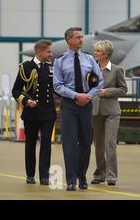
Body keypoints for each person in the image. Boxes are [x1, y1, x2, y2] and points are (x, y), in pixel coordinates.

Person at [53, 27, 103, 191]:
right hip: (69, 105)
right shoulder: (60, 61)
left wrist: (87, 96)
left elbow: (99, 82)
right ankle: (71, 179)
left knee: (86, 142)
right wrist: (75, 96)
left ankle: (82, 176)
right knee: (69, 143)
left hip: (86, 104)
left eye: (82, 37)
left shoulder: (89, 59)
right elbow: (57, 86)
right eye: (77, 37)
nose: (81, 39)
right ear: (69, 39)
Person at [11, 40, 56, 185]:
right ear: (39, 52)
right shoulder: (26, 67)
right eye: (48, 51)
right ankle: (30, 174)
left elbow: (56, 88)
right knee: (30, 144)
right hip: (32, 112)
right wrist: (25, 101)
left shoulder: (51, 68)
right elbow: (16, 90)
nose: (51, 54)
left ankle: (44, 176)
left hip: (48, 112)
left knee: (46, 144)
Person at [91, 40, 127, 186]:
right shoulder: (91, 69)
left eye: (98, 51)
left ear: (105, 54)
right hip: (95, 111)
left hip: (112, 111)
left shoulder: (117, 70)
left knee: (109, 144)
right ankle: (100, 174)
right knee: (98, 145)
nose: (95, 53)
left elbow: (123, 89)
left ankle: (111, 176)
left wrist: (108, 92)